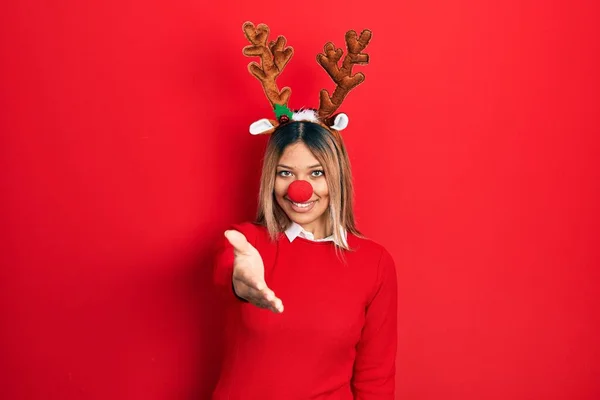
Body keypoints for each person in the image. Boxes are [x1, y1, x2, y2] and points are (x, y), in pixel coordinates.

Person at [211, 22, 397, 400]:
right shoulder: (248, 242)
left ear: (337, 176)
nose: (300, 189)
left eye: (316, 173)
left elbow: (376, 380)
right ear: (271, 179)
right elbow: (226, 268)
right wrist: (242, 280)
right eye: (285, 173)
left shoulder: (375, 263)